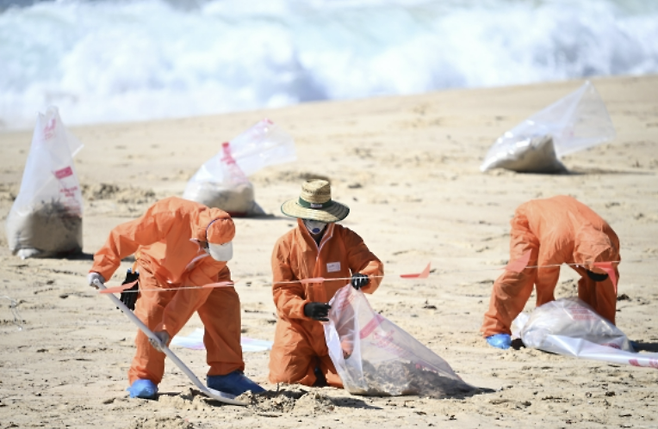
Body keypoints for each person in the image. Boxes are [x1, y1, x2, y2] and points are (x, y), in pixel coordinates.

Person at [87, 196, 265, 398]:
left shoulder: (216, 256)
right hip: (157, 268)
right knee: (152, 315)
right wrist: (101, 268)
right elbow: (124, 235)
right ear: (201, 239)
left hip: (200, 272)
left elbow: (193, 292)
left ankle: (226, 373)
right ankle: (143, 377)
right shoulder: (168, 215)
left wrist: (168, 328)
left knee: (225, 307)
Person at [268, 179, 384, 387]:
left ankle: (323, 367)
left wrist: (365, 276)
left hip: (338, 324)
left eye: (319, 218)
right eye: (309, 218)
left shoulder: (346, 238)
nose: (314, 223)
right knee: (283, 378)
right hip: (298, 326)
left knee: (348, 381)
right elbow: (282, 292)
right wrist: (304, 308)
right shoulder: (285, 245)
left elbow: (371, 264)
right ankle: (313, 367)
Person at [481, 195, 621, 349]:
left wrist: (610, 331)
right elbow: (545, 276)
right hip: (531, 220)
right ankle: (494, 329)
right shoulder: (559, 241)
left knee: (599, 282)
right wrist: (545, 317)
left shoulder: (610, 238)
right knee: (519, 272)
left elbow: (608, 285)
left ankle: (600, 332)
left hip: (567, 222)